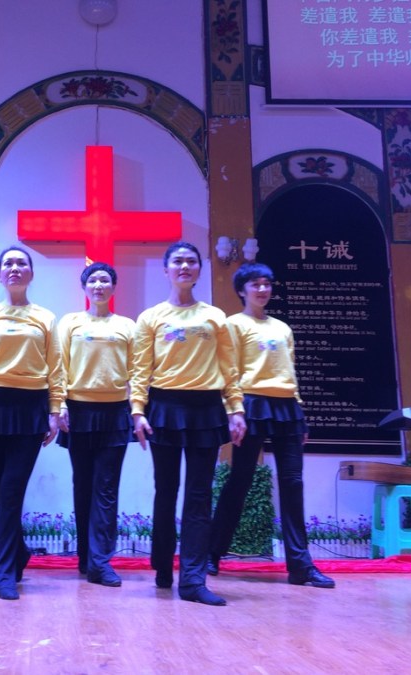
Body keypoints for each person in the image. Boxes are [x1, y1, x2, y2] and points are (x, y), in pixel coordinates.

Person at [131, 241, 245, 606]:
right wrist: (137, 411)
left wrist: (236, 408)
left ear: (199, 269)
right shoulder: (150, 317)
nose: (184, 266)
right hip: (164, 407)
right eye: (177, 261)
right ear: (166, 269)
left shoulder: (215, 316)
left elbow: (229, 367)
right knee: (165, 491)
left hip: (206, 409)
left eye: (191, 261)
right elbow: (140, 369)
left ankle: (194, 579)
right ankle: (163, 566)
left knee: (199, 495)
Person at [207, 262, 335, 589]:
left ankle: (300, 566)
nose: (263, 289)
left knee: (293, 483)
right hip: (252, 404)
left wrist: (299, 413)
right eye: (255, 284)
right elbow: (229, 371)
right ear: (242, 290)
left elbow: (289, 372)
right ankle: (212, 553)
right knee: (240, 480)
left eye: (267, 283)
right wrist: (234, 410)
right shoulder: (233, 324)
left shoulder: (282, 328)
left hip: (287, 408)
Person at [0, 245, 65, 600]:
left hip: (30, 407)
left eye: (21, 263)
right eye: (8, 263)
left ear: (31, 273)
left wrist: (55, 410)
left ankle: (0, 575)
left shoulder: (45, 318)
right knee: (3, 491)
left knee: (11, 492)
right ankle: (16, 556)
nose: (15, 268)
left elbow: (56, 367)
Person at [57, 262, 135, 587]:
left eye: (105, 280)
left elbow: (137, 371)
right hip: (78, 412)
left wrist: (138, 410)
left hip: (115, 413)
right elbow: (59, 365)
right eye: (93, 280)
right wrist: (60, 404)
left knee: (106, 488)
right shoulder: (70, 323)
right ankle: (85, 557)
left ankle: (101, 562)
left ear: (114, 288)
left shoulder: (127, 326)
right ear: (84, 287)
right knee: (83, 485)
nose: (99, 285)